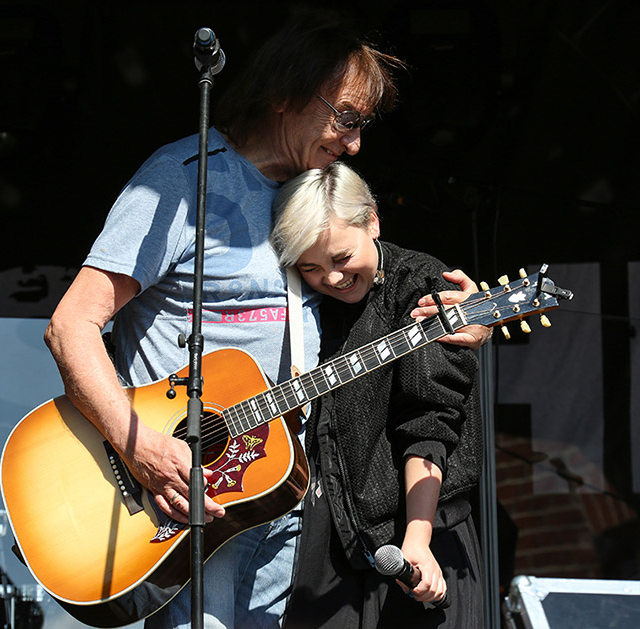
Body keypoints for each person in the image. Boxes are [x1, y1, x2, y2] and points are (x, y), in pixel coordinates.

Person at [44, 11, 487, 629]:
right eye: (346, 118)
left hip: (283, 495)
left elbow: (373, 275)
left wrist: (455, 312)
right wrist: (140, 445)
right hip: (182, 492)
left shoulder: (310, 194)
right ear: (285, 97)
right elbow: (71, 327)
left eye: (364, 125)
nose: (356, 143)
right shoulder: (184, 180)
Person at [272, 162, 484, 628]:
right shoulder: (294, 301)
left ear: (373, 220)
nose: (331, 278)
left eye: (341, 258)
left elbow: (431, 420)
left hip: (420, 533)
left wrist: (418, 536)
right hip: (329, 537)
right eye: (310, 267)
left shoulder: (424, 285)